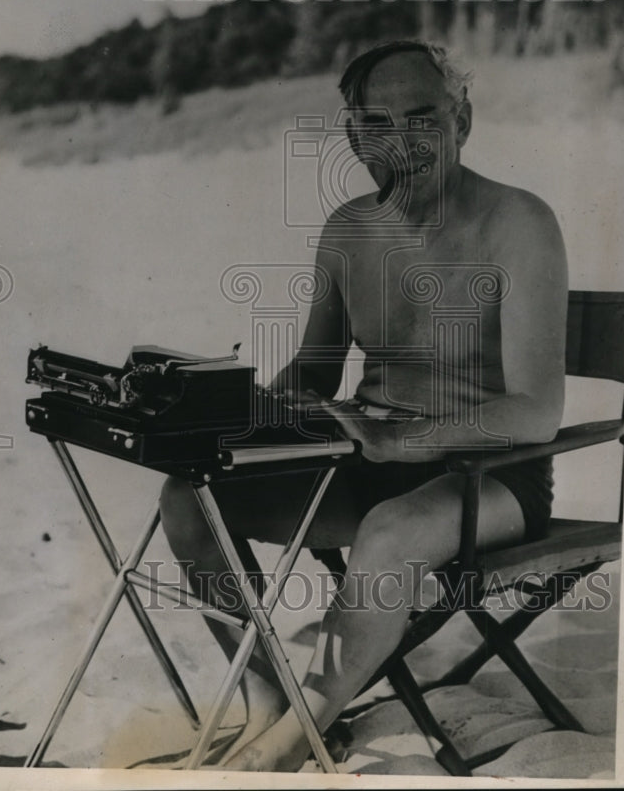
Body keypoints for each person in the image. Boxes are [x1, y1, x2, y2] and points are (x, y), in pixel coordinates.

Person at [159, 39, 568, 772]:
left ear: (462, 120)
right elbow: (313, 373)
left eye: (422, 117)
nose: (401, 142)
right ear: (352, 136)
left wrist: (408, 445)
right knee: (189, 500)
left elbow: (535, 411)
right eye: (376, 123)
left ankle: (286, 749)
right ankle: (270, 702)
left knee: (390, 526)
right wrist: (235, 405)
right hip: (365, 461)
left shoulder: (518, 222)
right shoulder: (348, 230)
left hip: (493, 480)